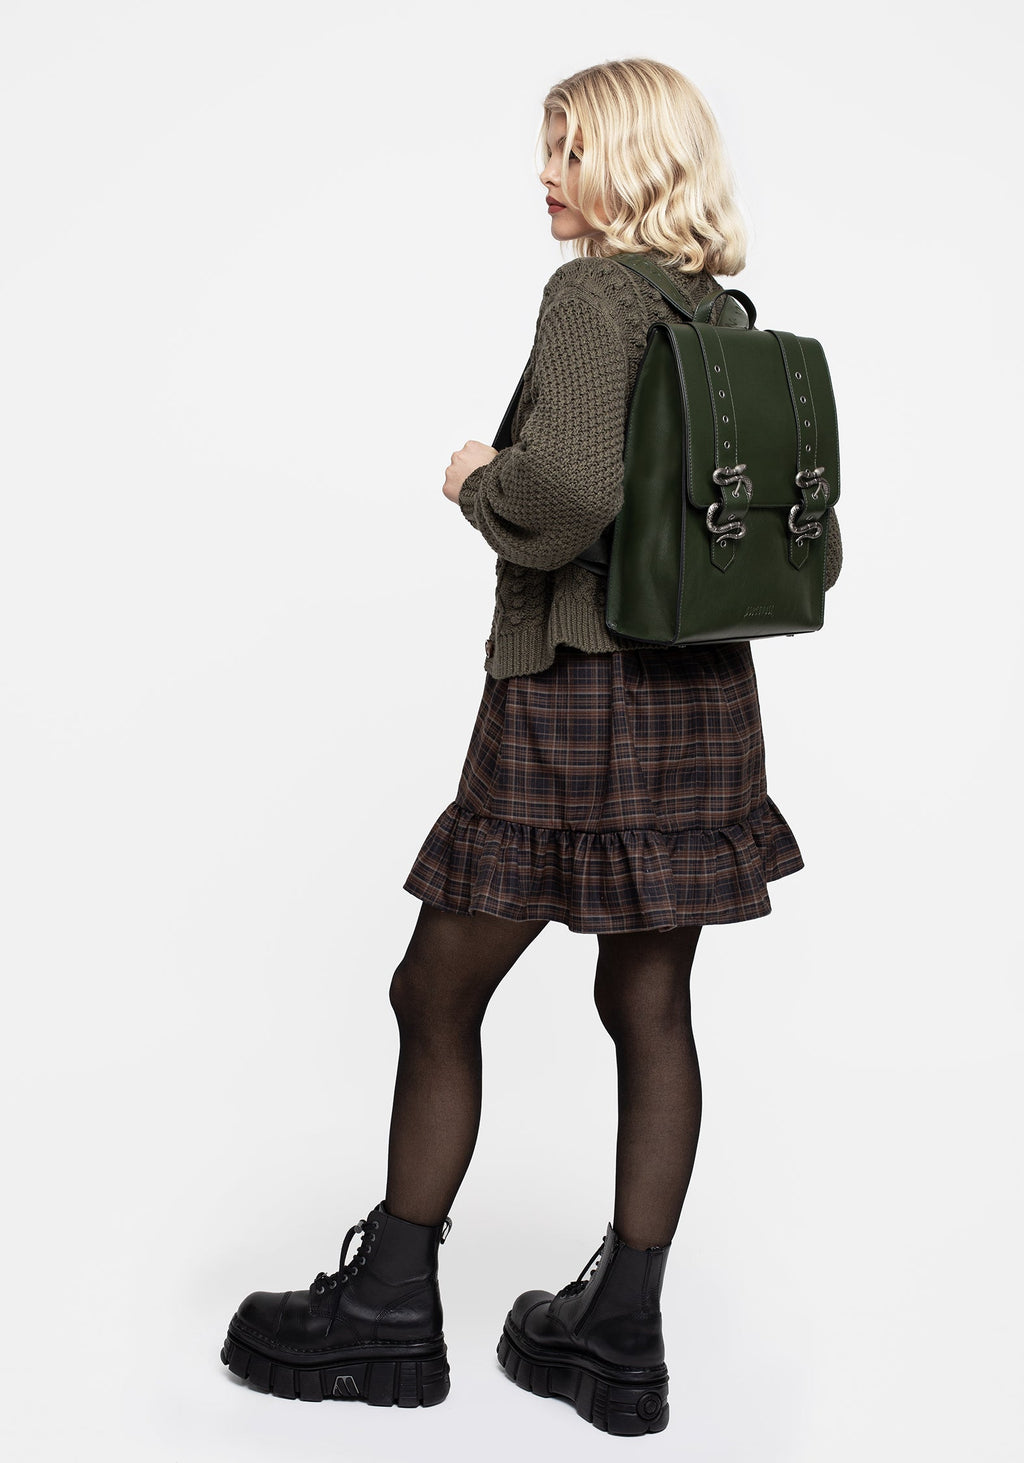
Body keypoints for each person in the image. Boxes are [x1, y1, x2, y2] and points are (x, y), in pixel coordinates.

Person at [220, 56, 841, 1436]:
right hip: (704, 706)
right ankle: (620, 1336)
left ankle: (388, 1309)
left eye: (569, 150)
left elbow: (562, 495)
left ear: (632, 162)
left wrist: (474, 482)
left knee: (434, 991)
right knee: (651, 1007)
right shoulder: (721, 315)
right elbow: (796, 535)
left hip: (578, 693)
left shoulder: (594, 299)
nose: (546, 175)